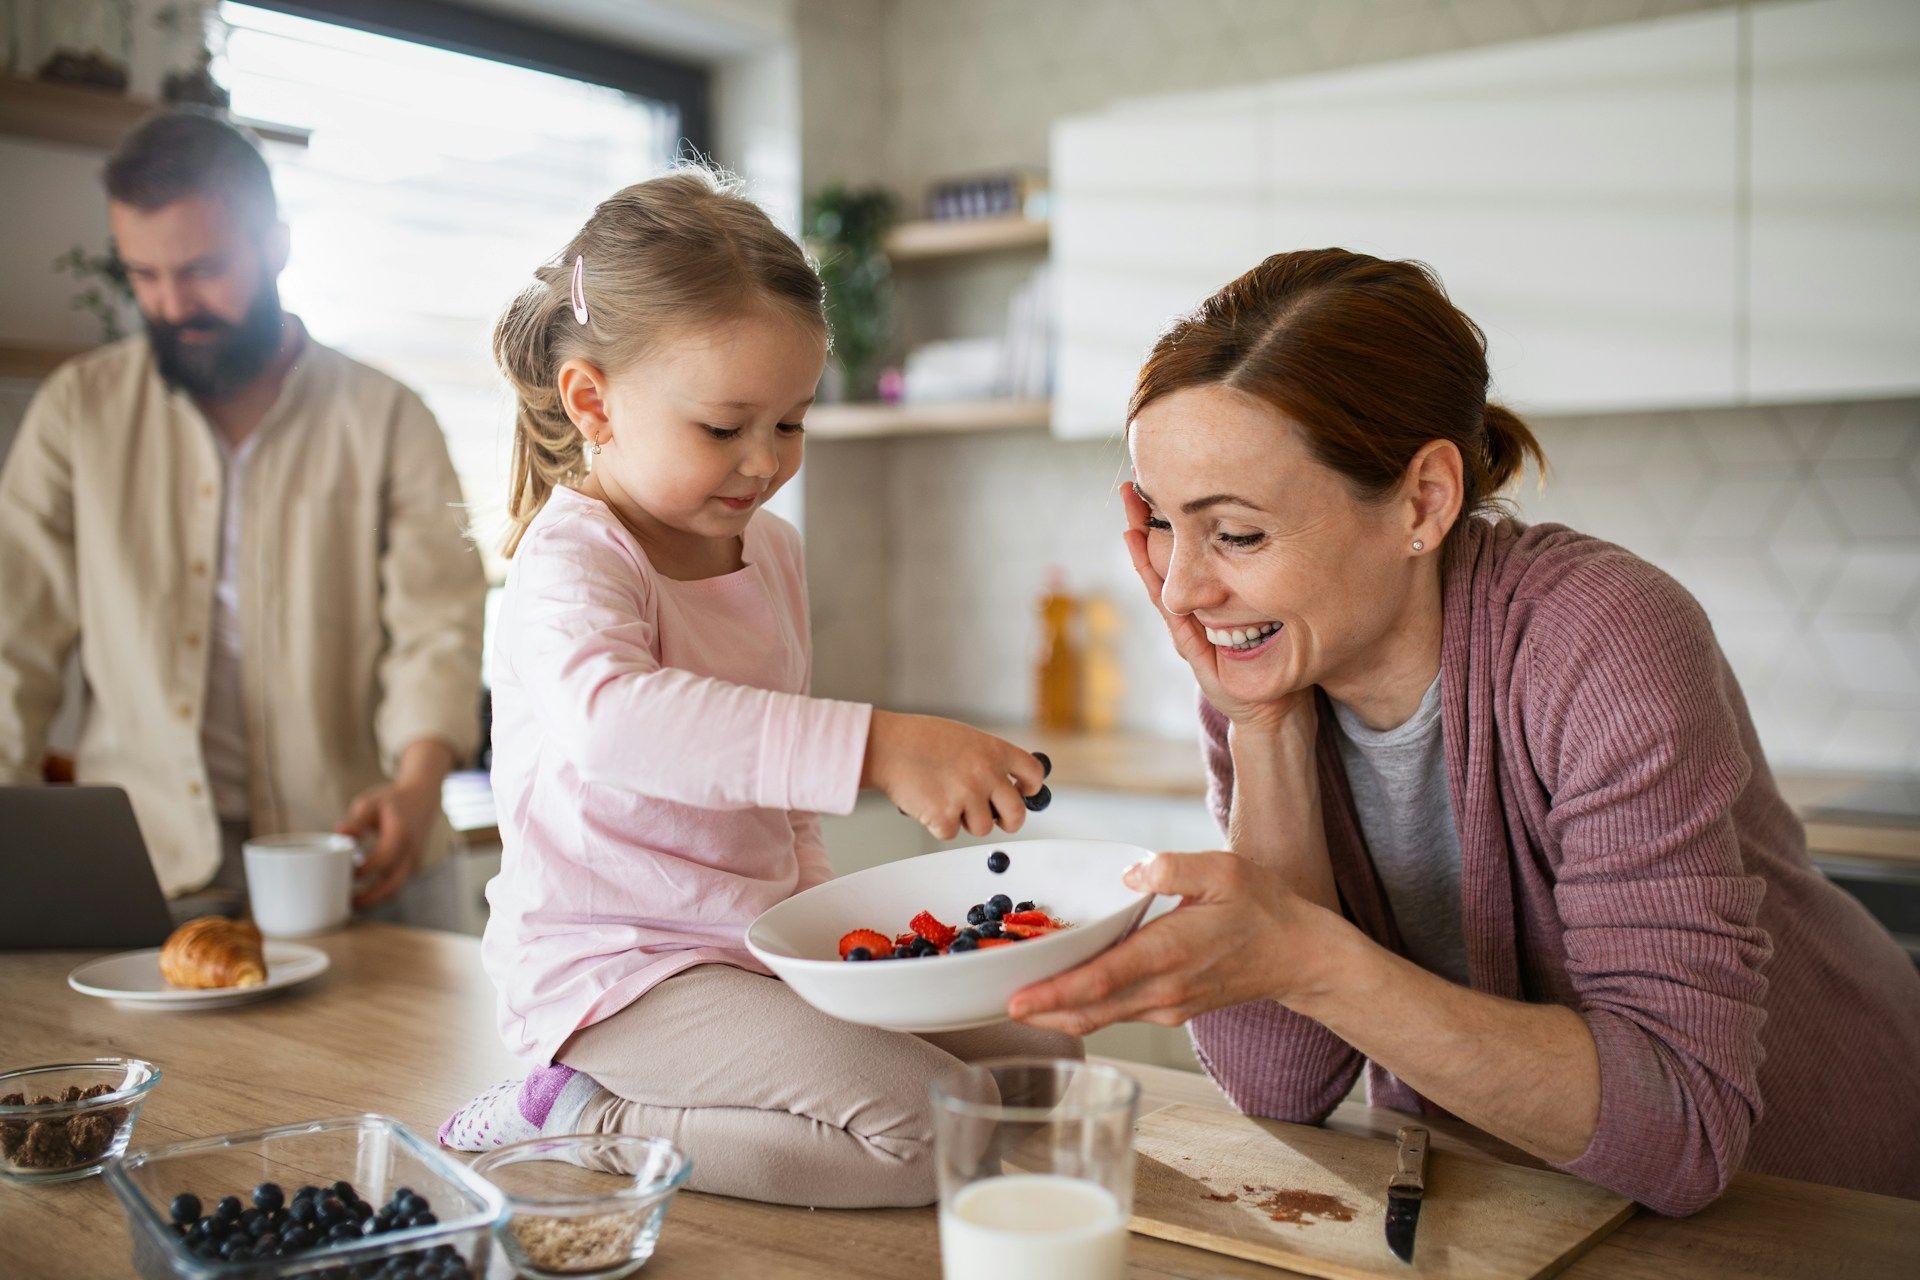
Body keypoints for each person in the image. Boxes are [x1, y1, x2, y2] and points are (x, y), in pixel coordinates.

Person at [1007, 248, 1920, 1213]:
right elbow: (1284, 1086)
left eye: (1235, 533)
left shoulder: (1602, 639)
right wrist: (1266, 731)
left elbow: (1684, 1126)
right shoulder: (1268, 665)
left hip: (1821, 1200)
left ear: (1424, 501)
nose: (1184, 589)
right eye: (1161, 522)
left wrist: (1306, 955)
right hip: (1549, 1205)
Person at [438, 169, 1076, 1207]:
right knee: (926, 1136)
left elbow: (773, 803)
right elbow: (616, 723)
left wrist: (817, 928)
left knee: (1047, 1069)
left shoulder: (765, 548)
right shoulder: (573, 560)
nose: (763, 461)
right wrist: (877, 746)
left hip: (752, 942)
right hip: (618, 969)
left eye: (790, 421)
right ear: (593, 401)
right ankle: (577, 1114)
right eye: (724, 425)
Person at [0, 108, 486, 913]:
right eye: (143, 275)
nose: (172, 302)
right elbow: (14, 637)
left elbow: (438, 628)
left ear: (275, 246)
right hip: (145, 867)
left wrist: (418, 782)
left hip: (362, 853)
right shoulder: (77, 412)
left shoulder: (388, 417)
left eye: (202, 269)